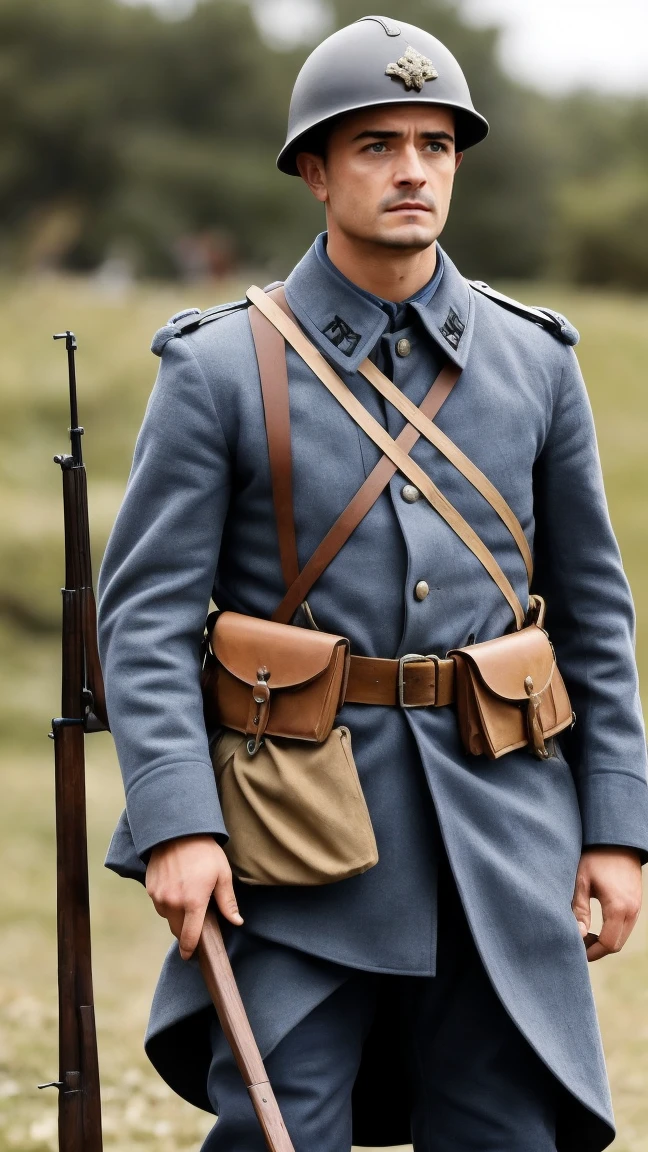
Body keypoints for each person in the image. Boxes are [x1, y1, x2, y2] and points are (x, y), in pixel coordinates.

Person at [97, 15, 647, 1152]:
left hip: (502, 829)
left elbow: (595, 615)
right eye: (377, 144)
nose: (412, 170)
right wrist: (176, 825)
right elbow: (146, 620)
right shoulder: (216, 368)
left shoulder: (536, 363)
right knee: (277, 1129)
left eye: (436, 145)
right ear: (314, 169)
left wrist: (617, 828)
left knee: (504, 1131)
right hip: (293, 835)